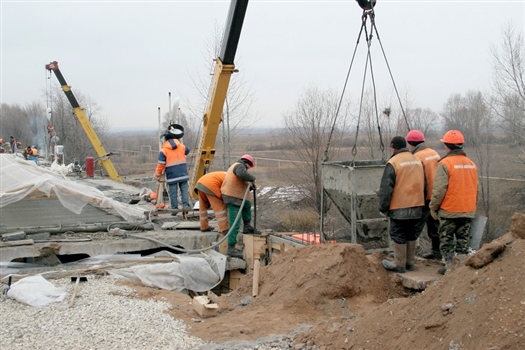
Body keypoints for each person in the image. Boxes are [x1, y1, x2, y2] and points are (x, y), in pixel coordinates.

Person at [429, 130, 478, 275]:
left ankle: (449, 267)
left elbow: (439, 189)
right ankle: (461, 269)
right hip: (468, 209)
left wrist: (433, 207)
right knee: (463, 241)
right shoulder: (471, 164)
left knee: (446, 240)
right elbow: (476, 188)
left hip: (450, 210)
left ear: (447, 146)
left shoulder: (445, 163)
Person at [379, 136, 426, 273]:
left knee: (398, 233)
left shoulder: (393, 162)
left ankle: (399, 264)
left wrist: (383, 207)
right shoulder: (417, 160)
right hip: (417, 204)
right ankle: (409, 263)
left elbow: (386, 188)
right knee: (411, 233)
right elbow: (426, 183)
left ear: (393, 147)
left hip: (400, 205)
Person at [406, 129, 442, 260]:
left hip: (424, 197)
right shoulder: (434, 153)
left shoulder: (416, 157)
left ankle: (407, 256)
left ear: (410, 144)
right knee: (434, 225)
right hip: (437, 195)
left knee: (414, 227)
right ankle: (437, 252)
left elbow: (416, 180)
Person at [221, 154, 256, 258]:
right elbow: (241, 174)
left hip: (236, 196)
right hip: (232, 197)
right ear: (247, 164)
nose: (249, 169)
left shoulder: (236, 166)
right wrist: (253, 178)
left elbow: (239, 182)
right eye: (249, 167)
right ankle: (231, 248)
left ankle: (247, 226)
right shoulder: (239, 166)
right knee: (235, 222)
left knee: (247, 204)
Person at [153, 124, 191, 214]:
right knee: (184, 191)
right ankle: (186, 206)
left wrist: (157, 175)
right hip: (183, 174)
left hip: (172, 175)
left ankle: (174, 209)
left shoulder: (164, 150)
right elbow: (188, 150)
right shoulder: (181, 146)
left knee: (173, 193)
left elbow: (160, 165)